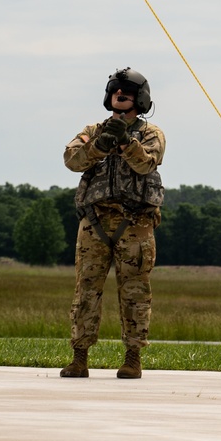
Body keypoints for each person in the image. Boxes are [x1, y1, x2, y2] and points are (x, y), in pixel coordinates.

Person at [59, 67, 166, 379]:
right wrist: (100, 145)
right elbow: (71, 160)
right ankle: (80, 357)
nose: (121, 96)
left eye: (128, 93)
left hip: (135, 223)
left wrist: (124, 144)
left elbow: (147, 163)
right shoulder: (93, 130)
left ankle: (133, 357)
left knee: (135, 291)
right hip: (95, 222)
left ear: (139, 99)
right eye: (116, 91)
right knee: (86, 290)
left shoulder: (151, 133)